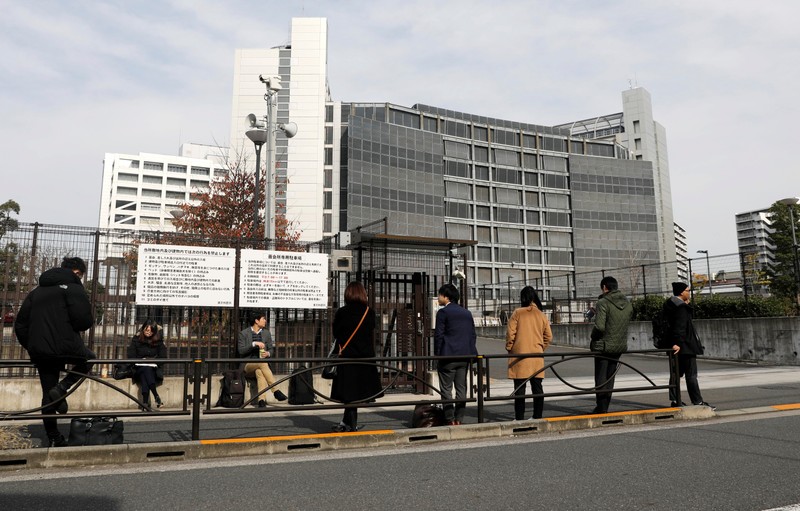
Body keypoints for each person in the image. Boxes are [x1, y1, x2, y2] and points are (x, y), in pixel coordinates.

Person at [14, 257, 95, 447]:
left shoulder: (36, 292)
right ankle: (62, 389)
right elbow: (84, 322)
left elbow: (20, 325)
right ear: (76, 273)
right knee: (90, 359)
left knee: (46, 392)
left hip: (41, 350)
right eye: (80, 276)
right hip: (67, 346)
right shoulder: (74, 288)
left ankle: (53, 437)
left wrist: (33, 346)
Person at [330, 281, 382, 432]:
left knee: (349, 394)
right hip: (365, 359)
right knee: (358, 394)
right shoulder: (369, 312)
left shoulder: (341, 312)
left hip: (347, 357)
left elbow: (337, 334)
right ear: (362, 294)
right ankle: (347, 423)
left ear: (348, 295)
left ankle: (350, 425)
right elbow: (371, 330)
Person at [664, 282, 714, 409]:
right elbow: (680, 328)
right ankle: (697, 401)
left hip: (674, 346)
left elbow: (671, 325)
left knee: (675, 374)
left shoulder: (670, 304)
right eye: (688, 290)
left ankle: (675, 400)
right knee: (691, 375)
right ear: (681, 292)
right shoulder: (681, 308)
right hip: (685, 346)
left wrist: (673, 343)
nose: (689, 292)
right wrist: (678, 343)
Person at [434, 283, 478, 426]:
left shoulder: (443, 313)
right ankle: (459, 418)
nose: (438, 297)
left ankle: (449, 418)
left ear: (446, 297)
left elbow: (439, 335)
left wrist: (437, 354)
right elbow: (473, 335)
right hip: (464, 356)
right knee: (461, 388)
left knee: (446, 388)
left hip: (448, 356)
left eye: (440, 295)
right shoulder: (466, 313)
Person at [506, 286, 552, 420]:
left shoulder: (518, 313)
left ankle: (519, 418)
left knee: (520, 389)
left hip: (519, 356)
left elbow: (510, 334)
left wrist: (510, 347)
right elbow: (549, 336)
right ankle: (537, 416)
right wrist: (540, 347)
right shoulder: (541, 314)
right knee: (537, 388)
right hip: (536, 355)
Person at [589, 276, 632, 414]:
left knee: (601, 377)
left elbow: (600, 327)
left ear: (604, 287)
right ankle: (605, 406)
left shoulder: (603, 302)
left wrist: (593, 337)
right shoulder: (627, 303)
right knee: (610, 377)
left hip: (603, 345)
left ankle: (601, 408)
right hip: (619, 345)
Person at [238, 311, 287, 407]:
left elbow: (271, 349)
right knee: (263, 364)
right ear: (256, 321)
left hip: (260, 366)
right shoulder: (243, 333)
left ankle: (261, 401)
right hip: (247, 365)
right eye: (263, 319)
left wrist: (268, 353)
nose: (265, 321)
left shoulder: (266, 333)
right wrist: (253, 344)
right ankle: (275, 390)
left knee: (260, 371)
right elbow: (241, 351)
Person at [127, 319, 167, 410]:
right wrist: (142, 360)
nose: (149, 332)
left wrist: (152, 361)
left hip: (153, 369)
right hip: (138, 368)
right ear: (143, 329)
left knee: (146, 371)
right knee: (145, 368)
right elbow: (131, 355)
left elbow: (163, 356)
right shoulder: (136, 340)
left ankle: (145, 403)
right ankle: (156, 395)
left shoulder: (158, 341)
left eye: (151, 331)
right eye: (147, 330)